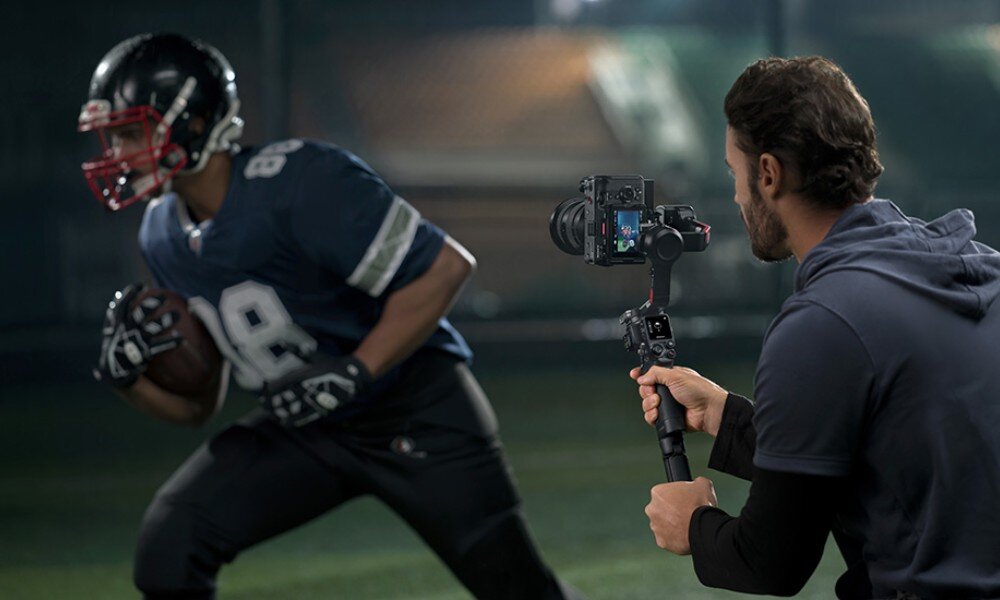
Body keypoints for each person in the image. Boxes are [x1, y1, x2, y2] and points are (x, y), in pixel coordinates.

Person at [81, 33, 580, 600]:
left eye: (129, 133)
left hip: (414, 413)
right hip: (307, 427)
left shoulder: (299, 182)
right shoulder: (161, 233)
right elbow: (199, 406)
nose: (117, 153)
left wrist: (355, 370)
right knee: (168, 553)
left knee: (522, 593)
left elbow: (444, 267)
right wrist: (125, 379)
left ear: (193, 124)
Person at [630, 56, 1000, 598]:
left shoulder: (822, 323)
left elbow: (770, 562)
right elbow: (888, 452)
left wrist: (695, 522)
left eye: (735, 173)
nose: (736, 196)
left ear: (769, 173)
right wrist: (726, 417)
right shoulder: (978, 263)